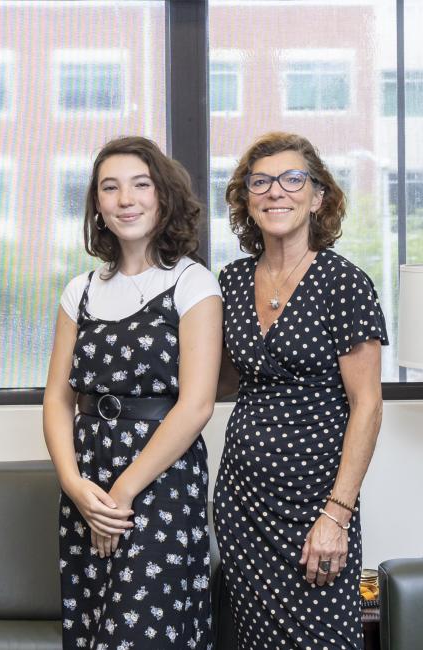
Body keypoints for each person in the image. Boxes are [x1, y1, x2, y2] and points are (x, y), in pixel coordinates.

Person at [43, 136, 222, 649]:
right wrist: (78, 487)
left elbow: (196, 406)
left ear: (162, 196)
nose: (127, 199)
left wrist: (122, 494)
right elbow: (57, 398)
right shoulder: (81, 289)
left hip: (160, 482)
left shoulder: (192, 283)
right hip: (89, 483)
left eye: (140, 185)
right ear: (97, 205)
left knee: (141, 635)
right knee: (94, 630)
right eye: (111, 188)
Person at [213, 131, 387, 649]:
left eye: (293, 179)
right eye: (260, 182)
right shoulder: (231, 282)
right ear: (247, 202)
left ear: (317, 197)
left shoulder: (344, 283)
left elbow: (368, 405)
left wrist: (337, 513)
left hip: (318, 504)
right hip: (243, 502)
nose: (276, 192)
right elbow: (221, 382)